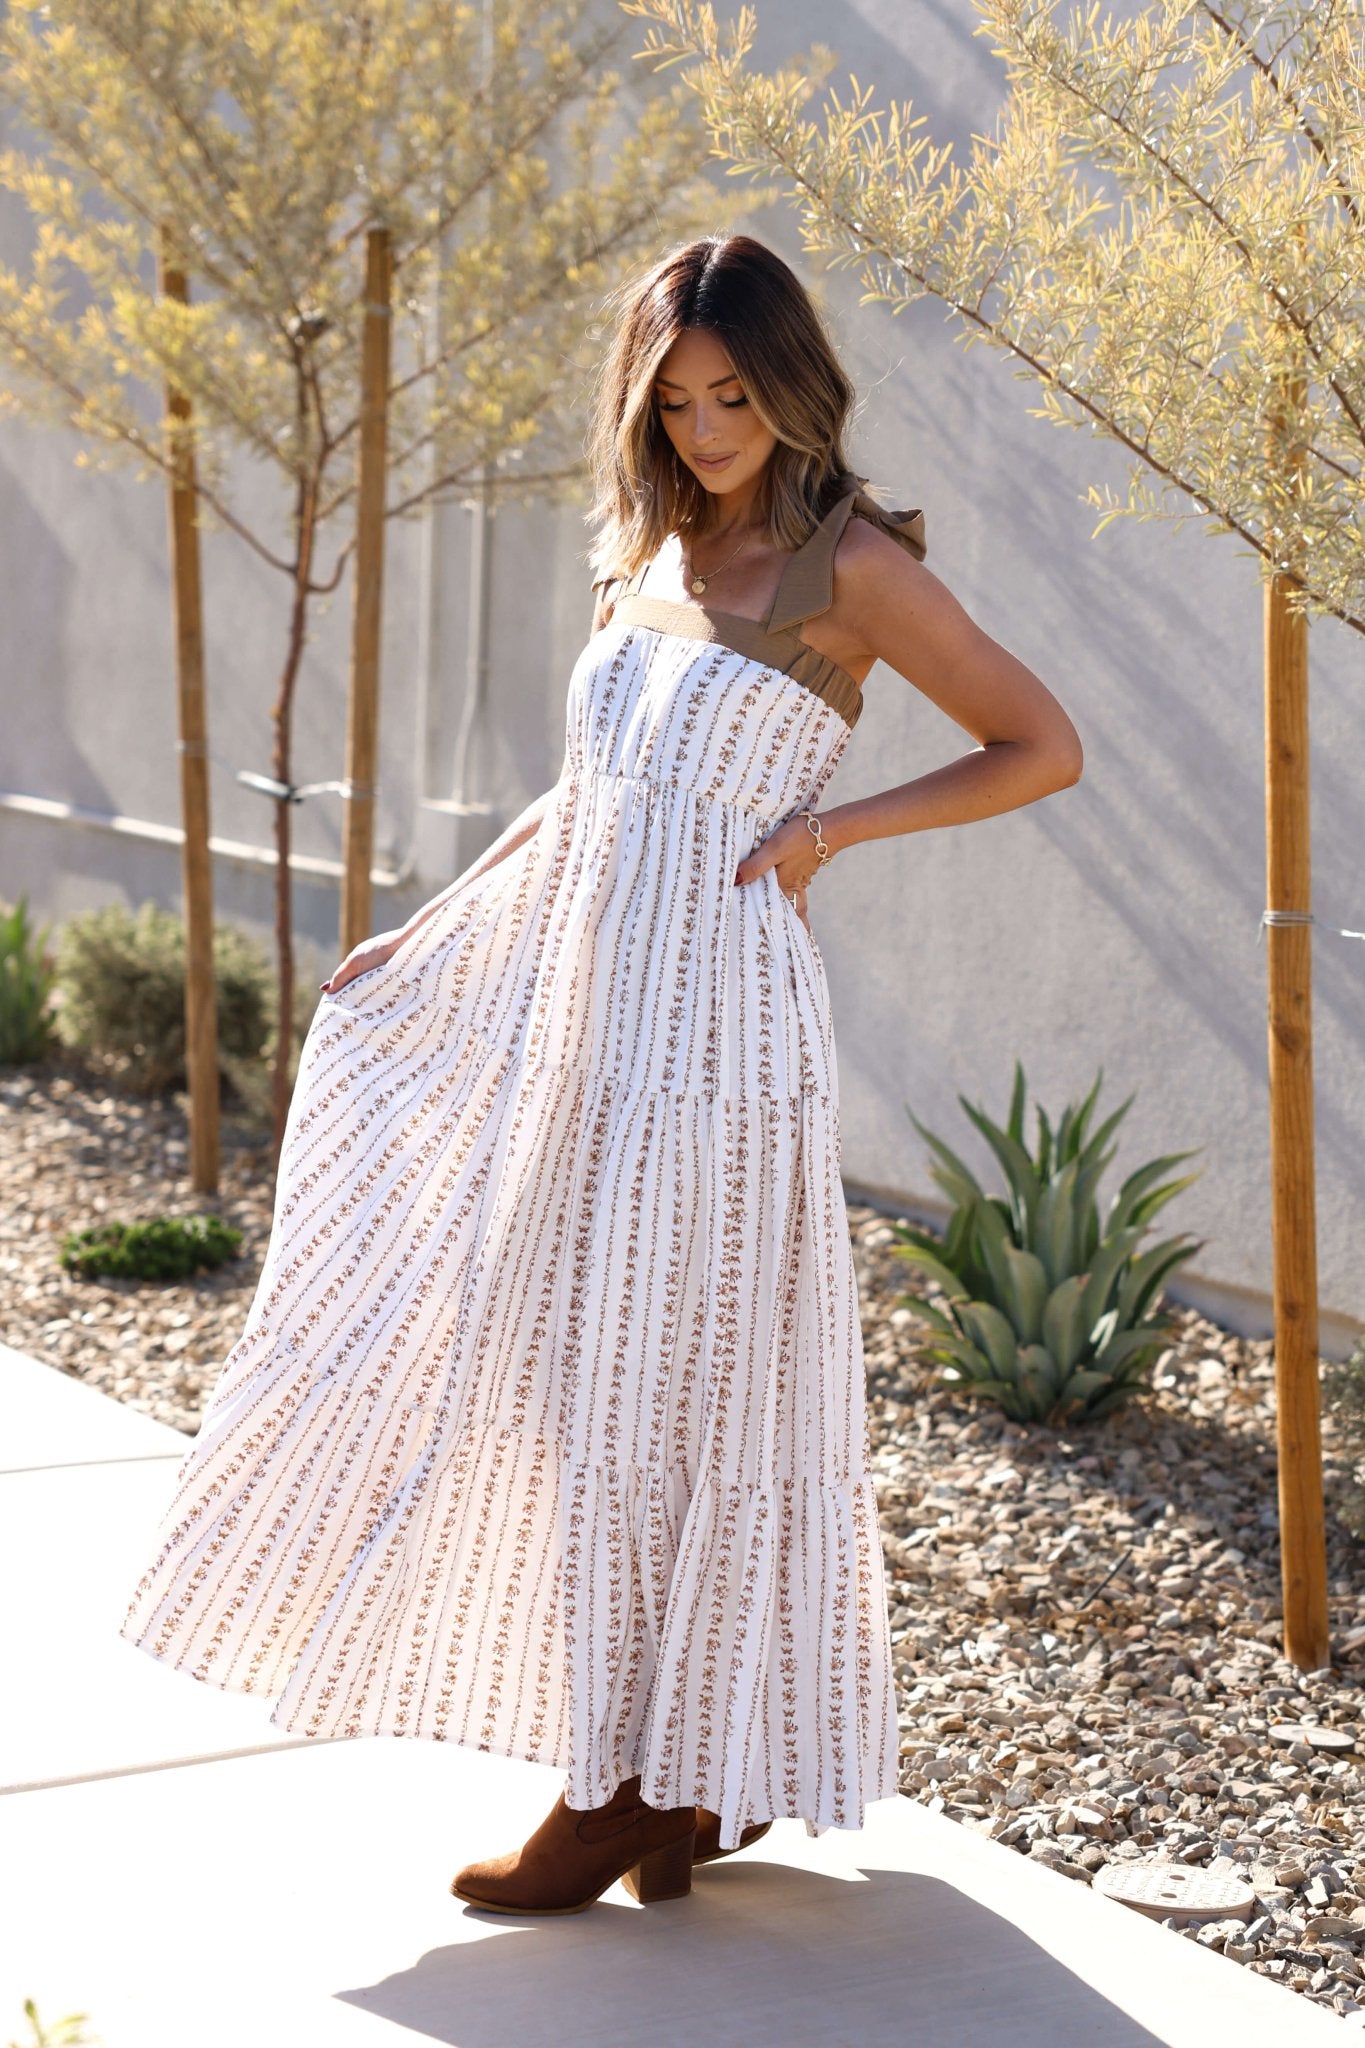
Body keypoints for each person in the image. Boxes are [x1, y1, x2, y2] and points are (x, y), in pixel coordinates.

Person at [119, 232, 1082, 1917]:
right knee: (577, 1379)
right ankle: (683, 1774)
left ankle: (630, 1780)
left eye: (735, 394)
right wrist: (431, 933)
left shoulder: (849, 563)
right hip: (583, 1011)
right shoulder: (654, 544)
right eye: (676, 395)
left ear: (791, 388)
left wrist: (828, 830)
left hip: (717, 1029)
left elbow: (1040, 743)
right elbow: (588, 798)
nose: (708, 428)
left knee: (673, 1381)